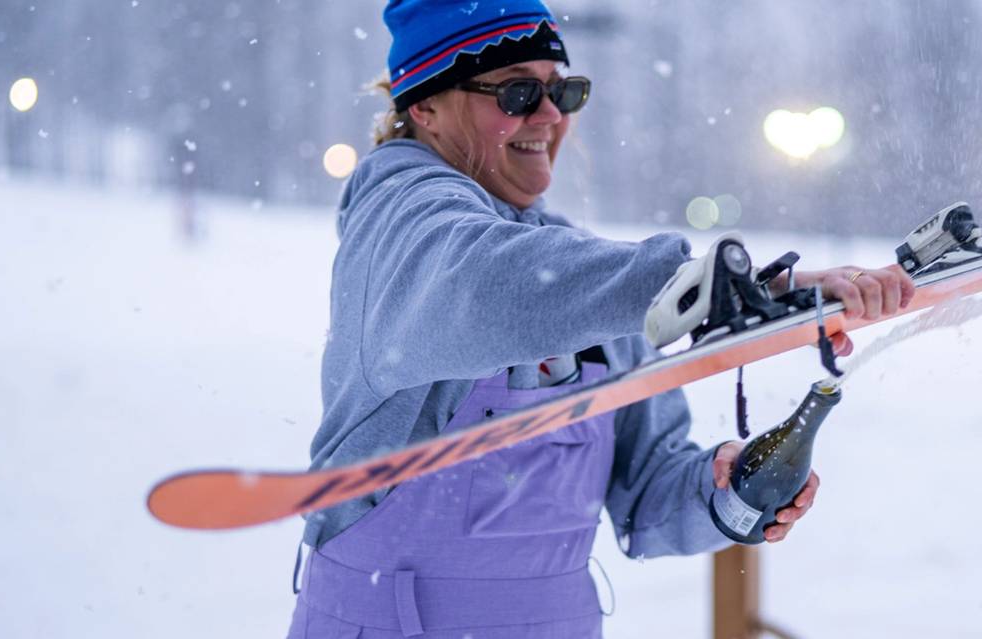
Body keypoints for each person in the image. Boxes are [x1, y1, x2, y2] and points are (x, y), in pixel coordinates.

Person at [288, 1, 914, 636]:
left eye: (564, 91)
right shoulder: (400, 219)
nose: (552, 116)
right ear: (423, 106)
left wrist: (723, 489)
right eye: (518, 93)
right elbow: (478, 282)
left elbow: (647, 496)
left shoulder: (585, 274)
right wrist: (694, 284)